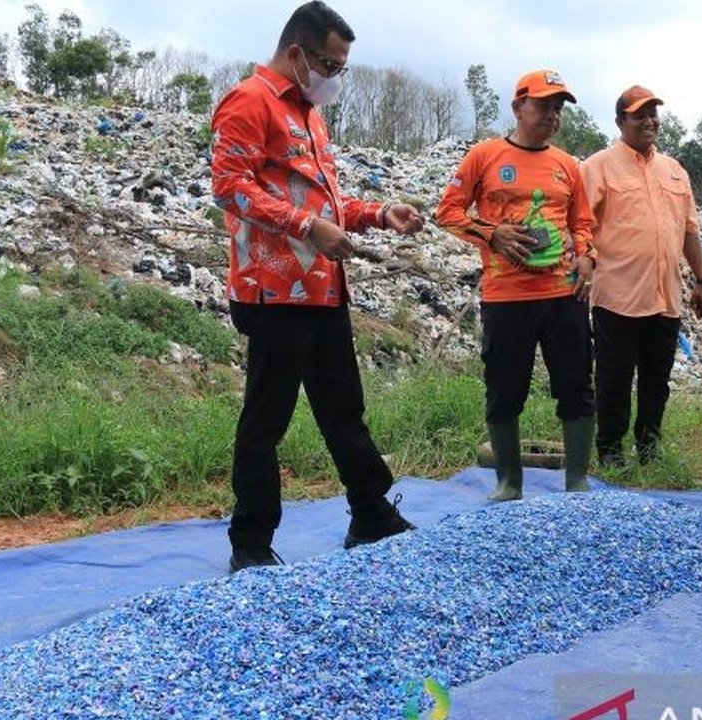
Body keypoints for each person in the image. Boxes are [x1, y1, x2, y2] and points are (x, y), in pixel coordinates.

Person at [209, 1, 424, 572]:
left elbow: (323, 203)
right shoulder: (249, 101)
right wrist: (310, 227)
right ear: (297, 53)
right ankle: (251, 544)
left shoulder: (311, 114)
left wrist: (379, 214)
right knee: (267, 420)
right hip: (274, 292)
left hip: (324, 289)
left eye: (342, 68)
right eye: (330, 64)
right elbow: (229, 188)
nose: (334, 76)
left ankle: (371, 513)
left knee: (343, 408)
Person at [435, 69, 596, 500]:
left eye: (558, 108)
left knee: (576, 385)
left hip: (564, 295)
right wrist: (493, 234)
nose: (552, 115)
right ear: (518, 107)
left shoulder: (568, 166)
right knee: (505, 389)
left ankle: (577, 481)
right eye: (543, 105)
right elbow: (448, 212)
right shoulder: (484, 157)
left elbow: (583, 222)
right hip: (507, 298)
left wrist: (586, 256)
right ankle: (509, 482)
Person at [579, 86, 702, 469]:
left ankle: (650, 449)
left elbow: (689, 231)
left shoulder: (674, 170)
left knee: (658, 379)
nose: (649, 120)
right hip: (618, 296)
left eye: (653, 113)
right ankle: (611, 451)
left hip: (665, 296)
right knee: (614, 379)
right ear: (621, 121)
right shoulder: (597, 167)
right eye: (639, 114)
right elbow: (581, 227)